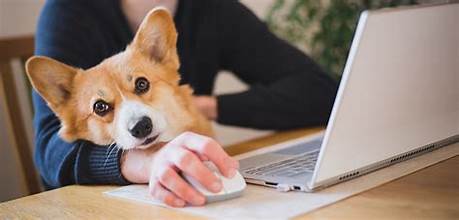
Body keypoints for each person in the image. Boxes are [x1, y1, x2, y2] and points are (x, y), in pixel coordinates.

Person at [33, 0, 338, 207]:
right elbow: (49, 148)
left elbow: (321, 92)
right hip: (97, 204)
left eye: (141, 85)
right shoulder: (68, 10)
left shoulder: (213, 9)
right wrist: (142, 163)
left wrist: (201, 105)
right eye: (103, 107)